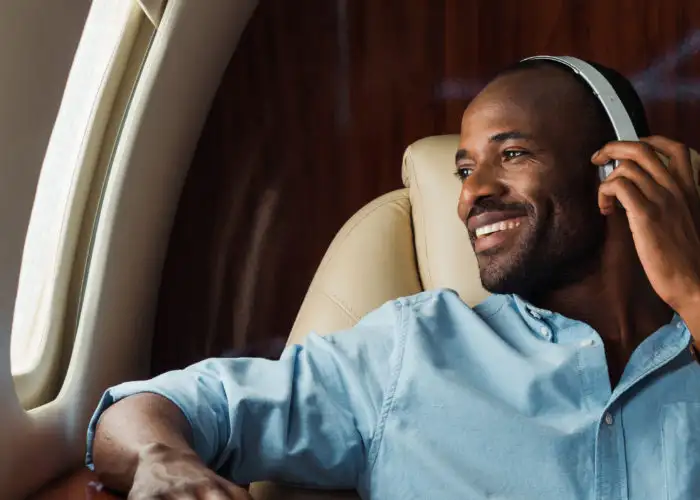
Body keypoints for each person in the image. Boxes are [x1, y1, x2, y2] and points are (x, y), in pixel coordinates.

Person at [86, 58, 700, 500]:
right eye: (465, 168)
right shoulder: (413, 350)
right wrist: (161, 461)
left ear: (618, 172)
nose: (472, 196)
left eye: (512, 154)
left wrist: (692, 294)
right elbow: (164, 406)